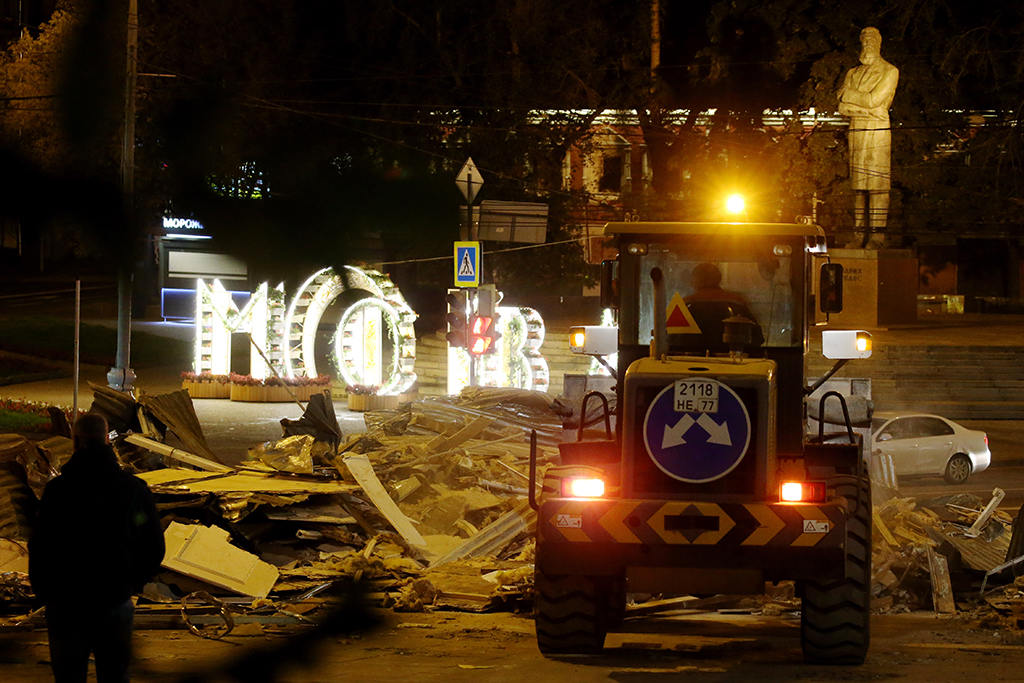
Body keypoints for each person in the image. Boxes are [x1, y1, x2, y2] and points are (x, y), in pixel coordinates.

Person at [29, 413, 165, 683]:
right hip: (114, 600)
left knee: (69, 676)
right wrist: (131, 583)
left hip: (66, 603)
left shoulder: (58, 491)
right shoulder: (133, 490)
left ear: (74, 442)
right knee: (115, 676)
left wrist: (45, 593)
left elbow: (40, 545)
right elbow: (153, 545)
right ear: (107, 440)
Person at [837, 27, 899, 248]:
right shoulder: (852, 73)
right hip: (858, 130)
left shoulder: (890, 71)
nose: (867, 44)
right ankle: (857, 236)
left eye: (872, 40)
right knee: (859, 186)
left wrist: (858, 101)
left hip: (878, 133)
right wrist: (867, 109)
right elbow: (842, 106)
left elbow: (875, 99)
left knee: (877, 186)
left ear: (879, 43)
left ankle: (877, 237)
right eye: (864, 40)